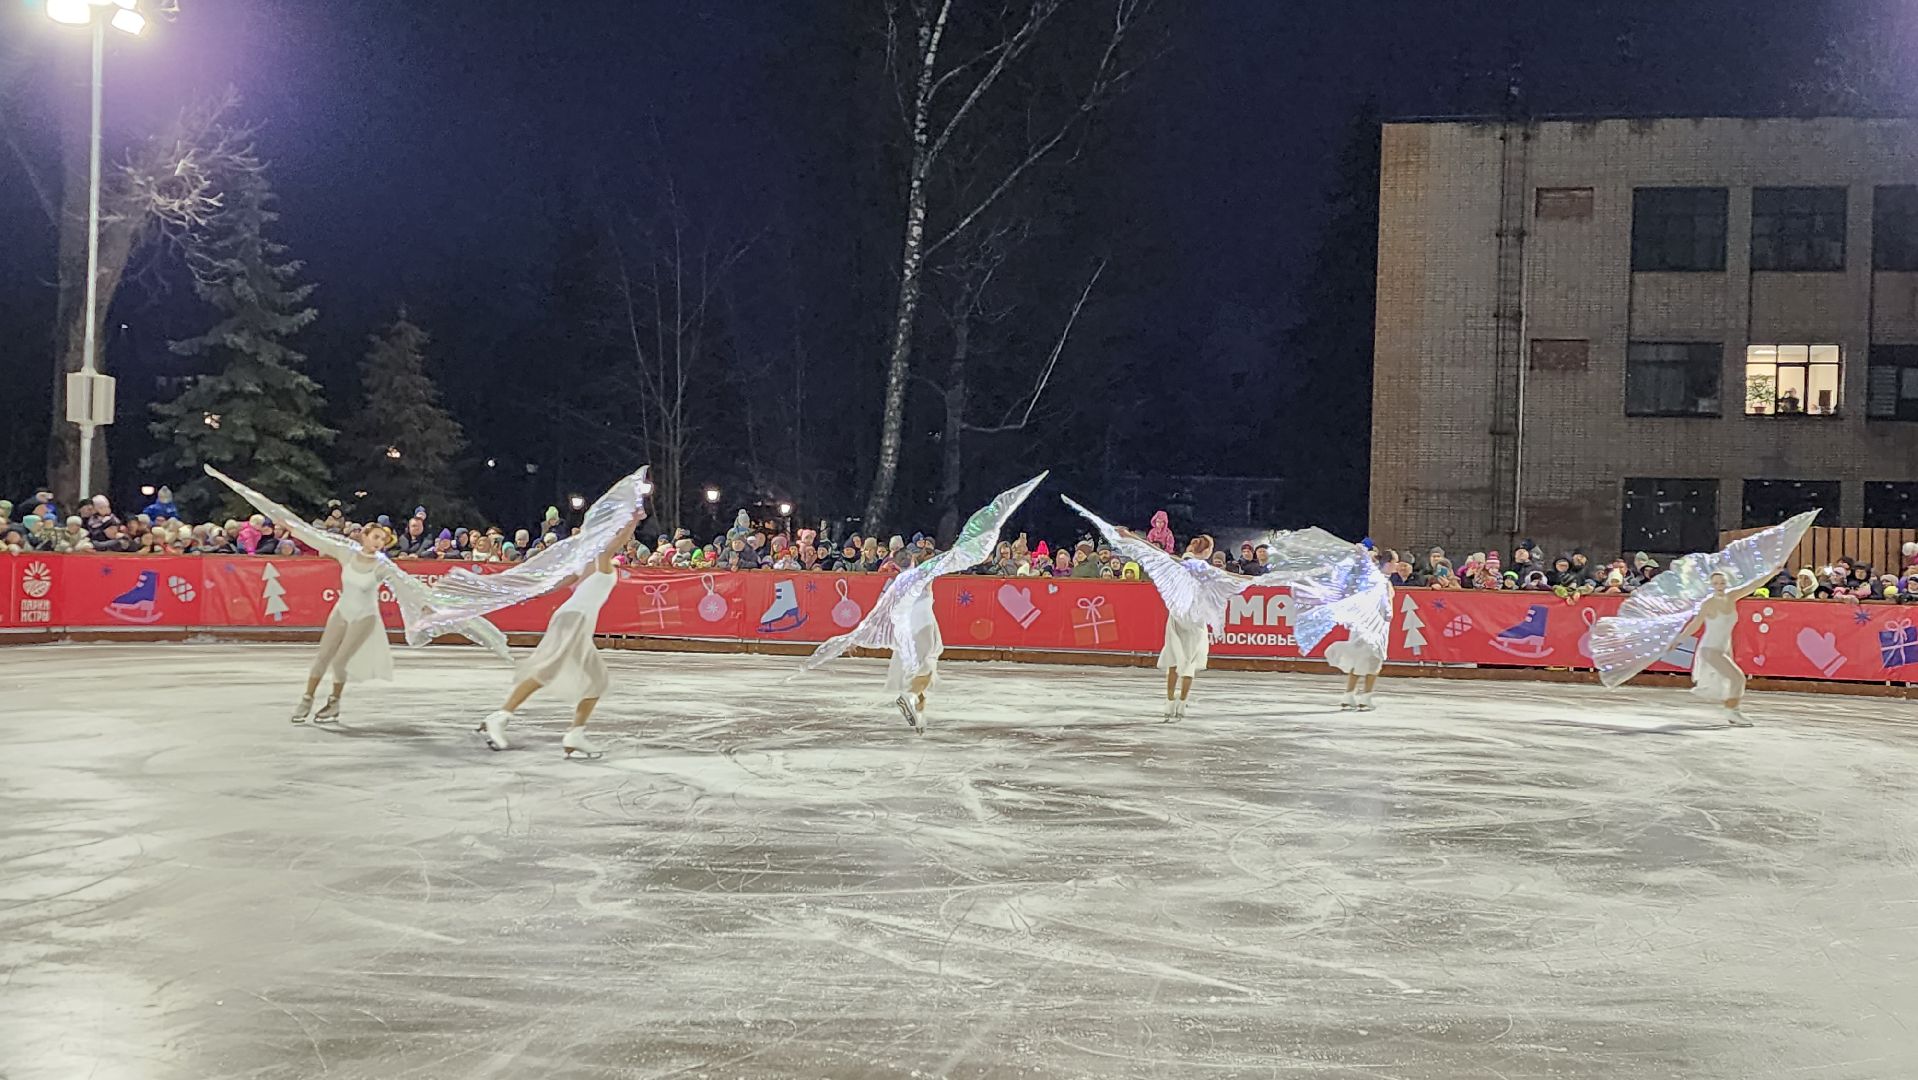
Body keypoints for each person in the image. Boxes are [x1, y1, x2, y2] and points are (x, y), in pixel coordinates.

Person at [802, 473, 1047, 732]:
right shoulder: (919, 575)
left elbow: (879, 614)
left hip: (909, 630)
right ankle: (911, 701)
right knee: (926, 667)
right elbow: (954, 558)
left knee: (925, 668)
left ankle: (918, 713)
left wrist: (855, 639)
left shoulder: (897, 583)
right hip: (921, 626)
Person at [478, 515, 638, 758]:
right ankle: (500, 716)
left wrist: (535, 593)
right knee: (547, 670)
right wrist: (632, 520)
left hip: (577, 621)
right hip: (573, 618)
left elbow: (558, 584)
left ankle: (576, 734)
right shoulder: (601, 560)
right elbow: (614, 544)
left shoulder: (588, 564)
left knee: (597, 681)